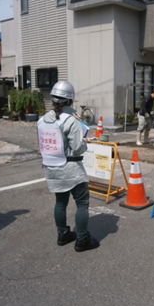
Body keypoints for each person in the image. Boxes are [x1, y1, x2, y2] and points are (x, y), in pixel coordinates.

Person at [37, 80, 99, 252]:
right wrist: (86, 142)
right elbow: (78, 147)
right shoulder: (71, 120)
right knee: (82, 203)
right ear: (70, 100)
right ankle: (82, 239)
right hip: (71, 168)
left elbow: (42, 144)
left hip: (52, 166)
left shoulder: (42, 120)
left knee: (60, 202)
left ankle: (63, 234)